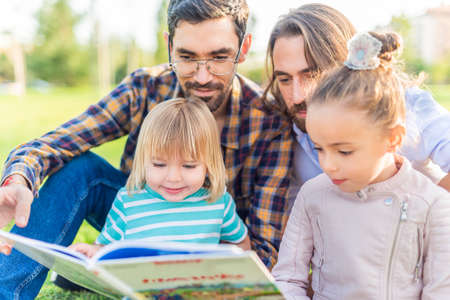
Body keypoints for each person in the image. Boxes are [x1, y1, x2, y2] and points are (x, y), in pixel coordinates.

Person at [0, 0, 293, 298]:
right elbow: (59, 142)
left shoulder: (269, 122)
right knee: (80, 168)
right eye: (187, 57)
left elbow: (262, 250)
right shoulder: (145, 88)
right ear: (169, 46)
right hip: (137, 220)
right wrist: (19, 179)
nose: (202, 76)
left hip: (207, 239)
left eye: (219, 57)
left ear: (243, 49)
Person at [272, 31, 450, 299]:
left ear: (393, 139)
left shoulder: (433, 204)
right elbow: (287, 278)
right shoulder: (312, 196)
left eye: (344, 151)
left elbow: (440, 290)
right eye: (319, 148)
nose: (328, 165)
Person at [263, 4, 450, 203]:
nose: (298, 96)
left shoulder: (406, 106)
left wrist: (424, 218)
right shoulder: (279, 125)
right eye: (284, 79)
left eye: (311, 76)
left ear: (344, 64)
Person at [70, 98, 250, 258]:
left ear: (209, 165)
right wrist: (93, 252)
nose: (173, 178)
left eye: (188, 166)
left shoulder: (218, 202)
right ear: (144, 161)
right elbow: (105, 248)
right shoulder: (128, 200)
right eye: (159, 164)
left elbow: (241, 244)